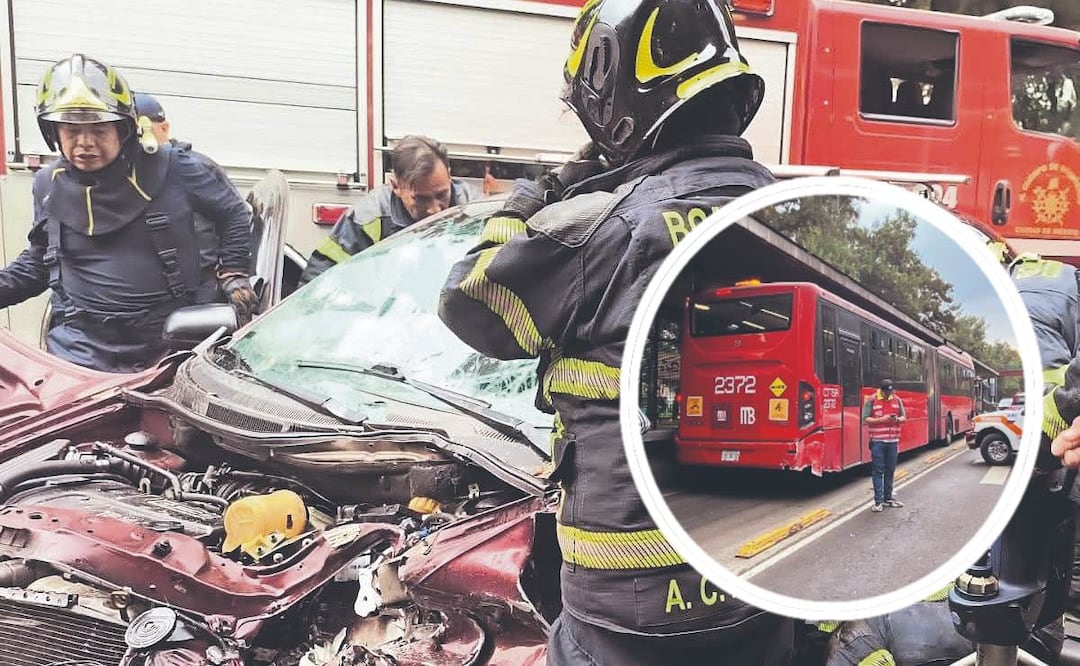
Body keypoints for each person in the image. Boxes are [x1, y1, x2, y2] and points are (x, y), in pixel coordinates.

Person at [438, 0, 794, 663]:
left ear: (612, 102)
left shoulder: (605, 228)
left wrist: (537, 194)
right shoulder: (786, 216)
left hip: (630, 606)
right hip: (759, 581)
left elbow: (470, 301)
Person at [0, 54, 256, 373]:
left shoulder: (180, 169)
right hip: (79, 349)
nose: (85, 143)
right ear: (52, 132)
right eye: (71, 130)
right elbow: (41, 260)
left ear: (124, 129)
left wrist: (233, 271)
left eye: (98, 130)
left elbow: (234, 213)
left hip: (170, 344)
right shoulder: (47, 184)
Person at [298, 135, 476, 285]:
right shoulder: (368, 218)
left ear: (450, 175)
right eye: (421, 199)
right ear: (395, 186)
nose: (435, 210)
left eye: (441, 194)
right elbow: (317, 281)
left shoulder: (475, 212)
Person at [863, 378, 906, 512]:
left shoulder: (897, 400)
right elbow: (865, 419)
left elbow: (904, 417)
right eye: (887, 392)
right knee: (878, 471)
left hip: (893, 441)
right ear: (881, 390)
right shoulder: (871, 400)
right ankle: (878, 501)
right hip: (878, 441)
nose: (889, 394)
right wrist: (881, 420)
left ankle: (888, 498)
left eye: (891, 391)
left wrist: (897, 420)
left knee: (890, 470)